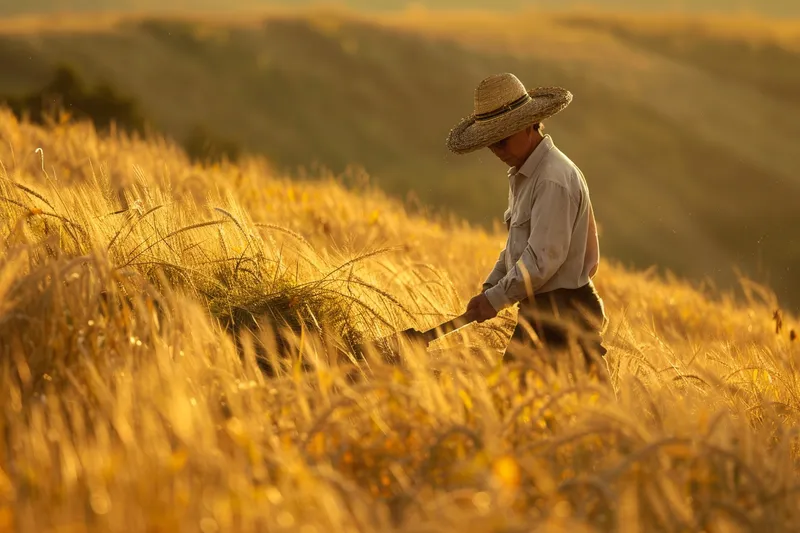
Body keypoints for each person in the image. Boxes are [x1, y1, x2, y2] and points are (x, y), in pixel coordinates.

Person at [445, 73, 608, 371]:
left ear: (528, 125)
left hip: (563, 317)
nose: (497, 150)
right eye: (490, 144)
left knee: (527, 406)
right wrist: (490, 286)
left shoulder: (551, 179)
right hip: (542, 314)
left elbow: (543, 258)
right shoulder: (526, 174)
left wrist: (495, 298)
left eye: (502, 140)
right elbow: (517, 248)